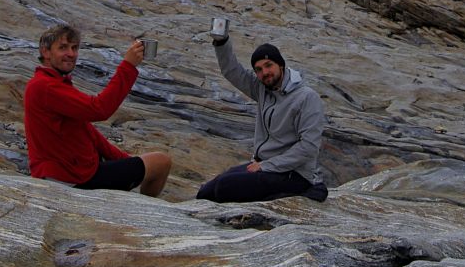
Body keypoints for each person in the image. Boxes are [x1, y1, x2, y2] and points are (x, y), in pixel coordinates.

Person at [24, 23, 171, 196]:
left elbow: (87, 130)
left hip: (74, 172)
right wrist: (128, 66)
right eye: (63, 48)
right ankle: (145, 211)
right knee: (161, 162)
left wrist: (123, 160)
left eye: (74, 48)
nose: (71, 54)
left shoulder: (52, 83)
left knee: (144, 163)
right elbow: (99, 109)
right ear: (45, 52)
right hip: (69, 178)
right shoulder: (45, 86)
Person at [198, 24, 328, 203]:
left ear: (281, 65)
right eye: (258, 69)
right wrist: (222, 43)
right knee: (206, 191)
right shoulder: (263, 89)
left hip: (294, 174)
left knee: (225, 187)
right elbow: (233, 72)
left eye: (269, 65)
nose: (265, 73)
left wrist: (267, 165)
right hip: (264, 165)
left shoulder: (307, 98)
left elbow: (308, 148)